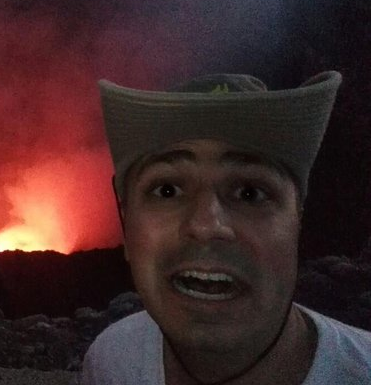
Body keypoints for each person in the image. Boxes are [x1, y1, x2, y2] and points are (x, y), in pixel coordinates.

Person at [82, 71, 371, 384]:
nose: (207, 225)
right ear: (125, 223)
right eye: (167, 190)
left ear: (298, 220)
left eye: (250, 192)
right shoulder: (112, 362)